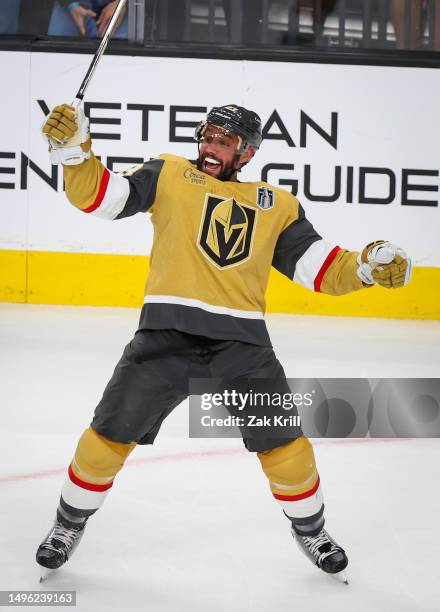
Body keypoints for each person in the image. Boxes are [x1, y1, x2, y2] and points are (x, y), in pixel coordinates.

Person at [36, 101, 412, 582]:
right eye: (208, 137)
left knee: (287, 448)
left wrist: (366, 266)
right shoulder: (168, 173)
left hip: (242, 344)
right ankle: (68, 525)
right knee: (105, 439)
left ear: (247, 152)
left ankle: (311, 530)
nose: (211, 148)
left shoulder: (277, 205)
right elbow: (103, 198)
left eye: (224, 141)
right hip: (164, 336)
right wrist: (73, 153)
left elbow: (320, 269)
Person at [48, 0, 127, 38]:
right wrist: (71, 5)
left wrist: (122, 3)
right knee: (55, 49)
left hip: (124, 7)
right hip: (71, 5)